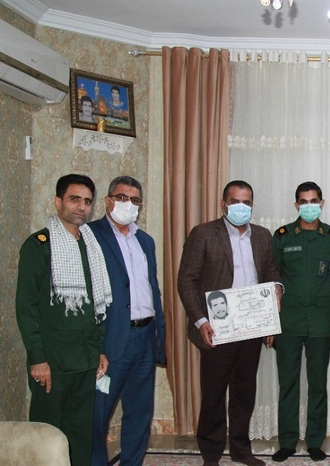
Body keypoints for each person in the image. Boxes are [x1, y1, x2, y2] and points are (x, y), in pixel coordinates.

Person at [178, 180, 282, 466]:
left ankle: (240, 449)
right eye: (235, 201)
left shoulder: (262, 236)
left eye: (246, 202)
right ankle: (211, 453)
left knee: (244, 391)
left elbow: (271, 272)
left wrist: (276, 292)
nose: (241, 207)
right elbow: (186, 280)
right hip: (216, 327)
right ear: (223, 204)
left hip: (251, 327)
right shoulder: (203, 233)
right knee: (213, 392)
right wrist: (200, 321)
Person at [16, 174, 112, 466]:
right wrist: (38, 359)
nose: (81, 207)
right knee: (46, 435)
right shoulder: (39, 245)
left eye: (87, 201)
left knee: (80, 435)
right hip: (52, 363)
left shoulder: (91, 246)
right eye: (74, 199)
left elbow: (96, 306)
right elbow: (26, 307)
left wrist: (98, 350)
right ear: (58, 202)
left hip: (85, 360)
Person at [89, 176, 166, 466]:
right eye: (122, 198)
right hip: (112, 339)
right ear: (108, 200)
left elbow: (152, 289)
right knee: (97, 413)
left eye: (135, 200)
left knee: (139, 412)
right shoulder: (91, 235)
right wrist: (96, 345)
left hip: (145, 337)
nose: (128, 204)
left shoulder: (144, 240)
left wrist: (159, 336)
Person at [271, 182, 330, 463]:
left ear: (321, 203)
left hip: (321, 320)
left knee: (318, 384)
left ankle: (314, 441)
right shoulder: (282, 236)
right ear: (296, 205)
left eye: (313, 201)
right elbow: (272, 279)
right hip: (288, 321)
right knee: (288, 384)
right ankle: (287, 441)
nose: (309, 205)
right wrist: (269, 323)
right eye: (303, 201)